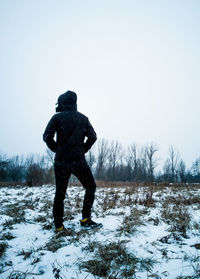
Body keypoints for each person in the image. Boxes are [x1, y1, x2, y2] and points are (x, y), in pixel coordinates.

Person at [43, 90, 102, 232]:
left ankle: (58, 226)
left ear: (62, 103)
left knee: (60, 193)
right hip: (78, 160)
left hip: (61, 161)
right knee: (90, 186)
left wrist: (57, 149)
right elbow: (93, 137)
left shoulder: (57, 118)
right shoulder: (83, 119)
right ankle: (86, 219)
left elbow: (47, 136)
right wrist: (82, 150)